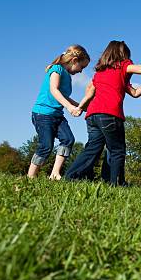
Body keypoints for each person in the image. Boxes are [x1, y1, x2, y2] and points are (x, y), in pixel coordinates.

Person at [65, 41, 141, 185]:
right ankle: (115, 183)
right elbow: (139, 68)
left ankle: (70, 176)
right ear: (122, 55)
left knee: (92, 148)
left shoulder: (100, 73)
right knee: (117, 150)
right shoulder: (122, 66)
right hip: (110, 115)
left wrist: (80, 108)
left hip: (93, 116)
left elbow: (134, 93)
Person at [28, 45, 90, 180]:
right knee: (46, 146)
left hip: (57, 115)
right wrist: (69, 107)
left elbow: (64, 96)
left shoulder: (68, 76)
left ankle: (54, 173)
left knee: (68, 139)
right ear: (74, 60)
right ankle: (30, 177)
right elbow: (54, 90)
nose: (81, 71)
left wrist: (82, 106)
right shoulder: (56, 69)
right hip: (43, 114)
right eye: (82, 67)